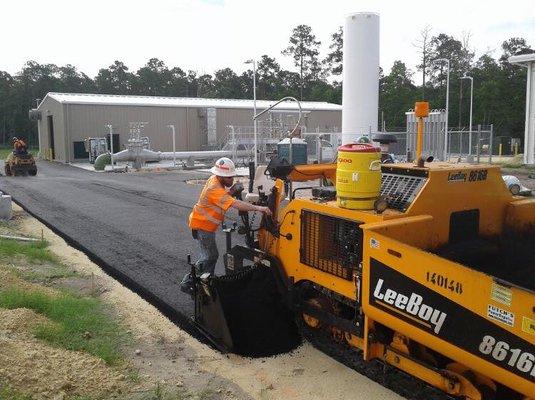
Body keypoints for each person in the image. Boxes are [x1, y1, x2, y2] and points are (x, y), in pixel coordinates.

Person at [180, 157, 272, 295]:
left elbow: (222, 199)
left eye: (232, 177)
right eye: (229, 178)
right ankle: (188, 282)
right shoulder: (214, 188)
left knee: (211, 255)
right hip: (202, 226)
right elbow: (235, 204)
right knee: (209, 256)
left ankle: (206, 284)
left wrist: (230, 192)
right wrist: (259, 209)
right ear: (221, 176)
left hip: (203, 224)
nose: (231, 180)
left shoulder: (215, 180)